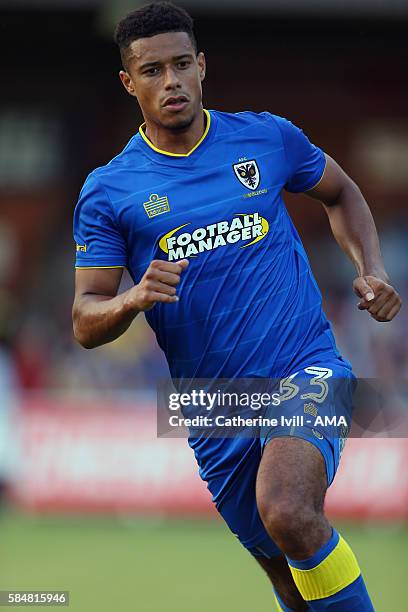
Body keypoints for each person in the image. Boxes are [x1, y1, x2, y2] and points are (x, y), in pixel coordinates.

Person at [72, 3, 401, 610]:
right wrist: (134, 297)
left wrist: (371, 269)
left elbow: (341, 190)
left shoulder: (266, 137)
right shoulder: (110, 190)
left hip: (304, 366)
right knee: (288, 579)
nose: (170, 82)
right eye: (151, 71)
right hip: (215, 404)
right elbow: (85, 318)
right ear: (129, 82)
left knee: (287, 509)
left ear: (202, 66)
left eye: (180, 65)